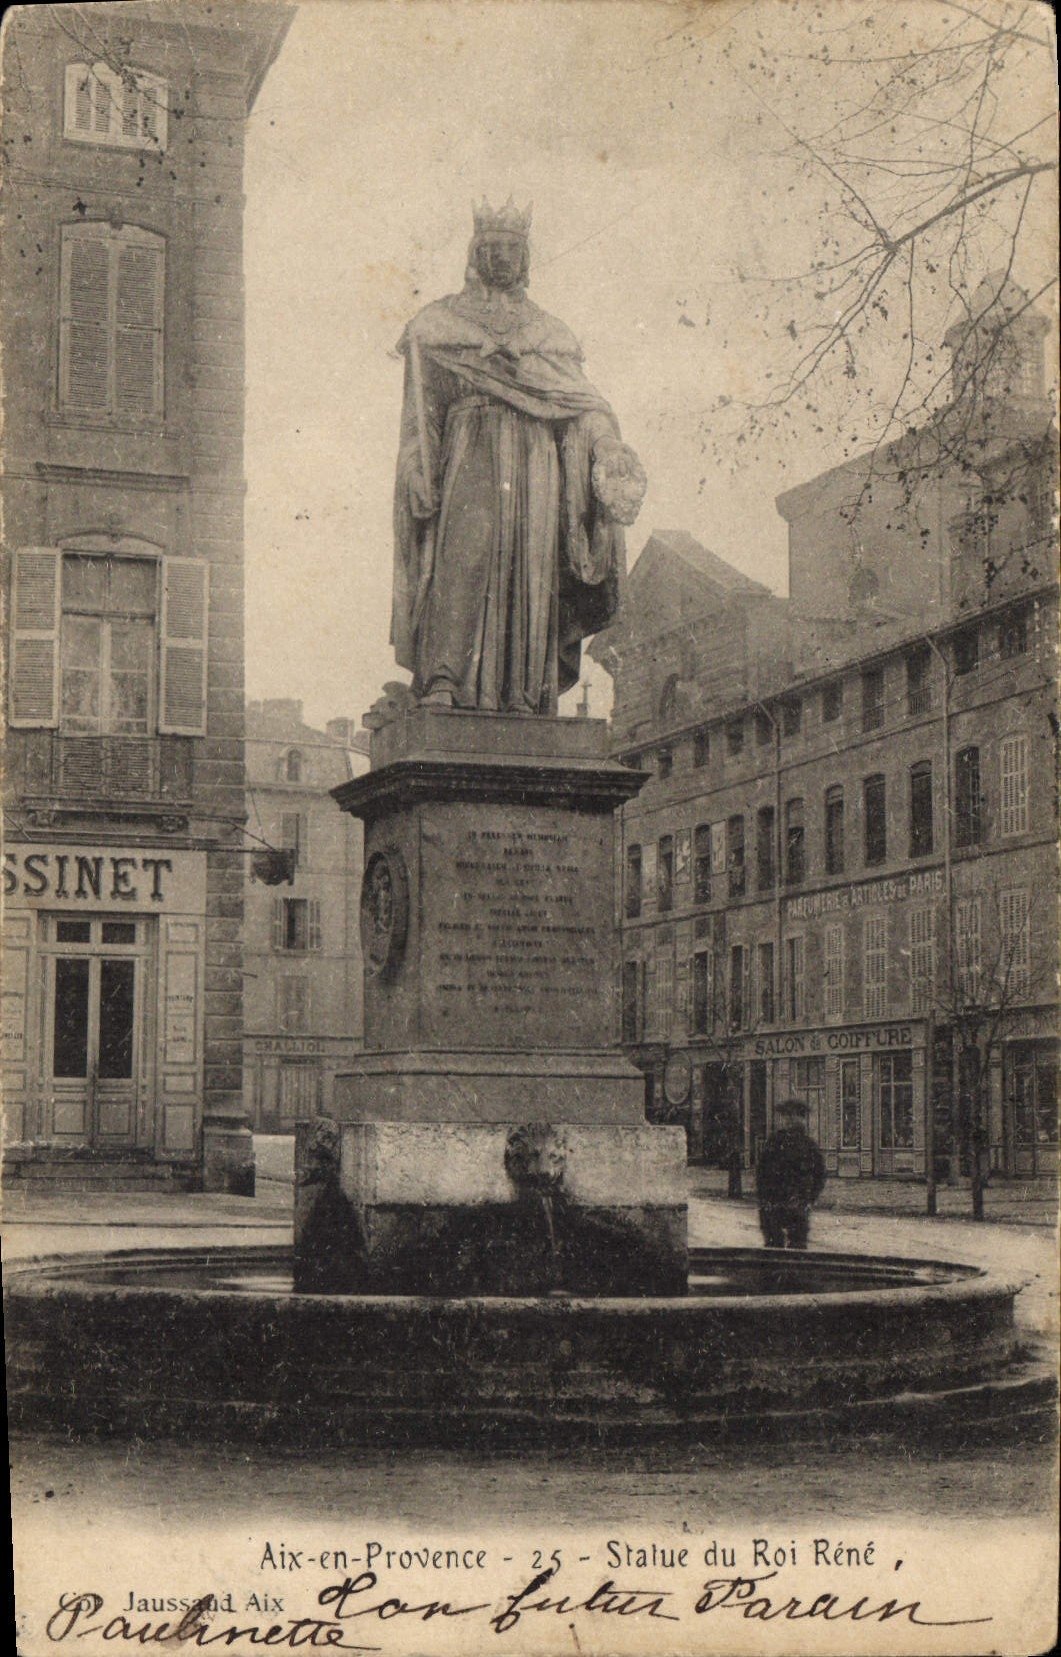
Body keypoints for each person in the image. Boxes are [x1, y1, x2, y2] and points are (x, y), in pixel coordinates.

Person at [391, 198, 645, 714]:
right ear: (476, 253)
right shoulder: (439, 325)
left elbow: (583, 408)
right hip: (469, 455)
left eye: (513, 247)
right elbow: (421, 417)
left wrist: (606, 445)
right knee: (462, 561)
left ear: (525, 257)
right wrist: (417, 468)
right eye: (493, 247)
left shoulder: (549, 334)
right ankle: (445, 678)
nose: (504, 257)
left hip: (537, 465)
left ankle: (526, 692)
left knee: (533, 574)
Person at [756, 1097, 826, 1250]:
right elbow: (761, 1172)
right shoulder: (774, 1142)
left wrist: (809, 1199)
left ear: (802, 1119)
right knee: (773, 1247)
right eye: (786, 1115)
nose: (789, 1120)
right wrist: (764, 1199)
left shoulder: (808, 1146)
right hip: (774, 1203)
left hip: (798, 1203)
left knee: (798, 1247)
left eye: (794, 1115)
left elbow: (820, 1175)